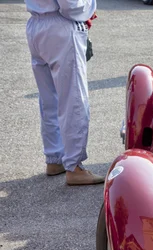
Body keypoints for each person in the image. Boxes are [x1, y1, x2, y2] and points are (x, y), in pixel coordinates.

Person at [25, 0, 104, 185]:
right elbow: (71, 5)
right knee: (73, 99)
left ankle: (55, 158)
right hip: (61, 26)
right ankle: (74, 166)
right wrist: (89, 7)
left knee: (49, 99)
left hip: (36, 23)